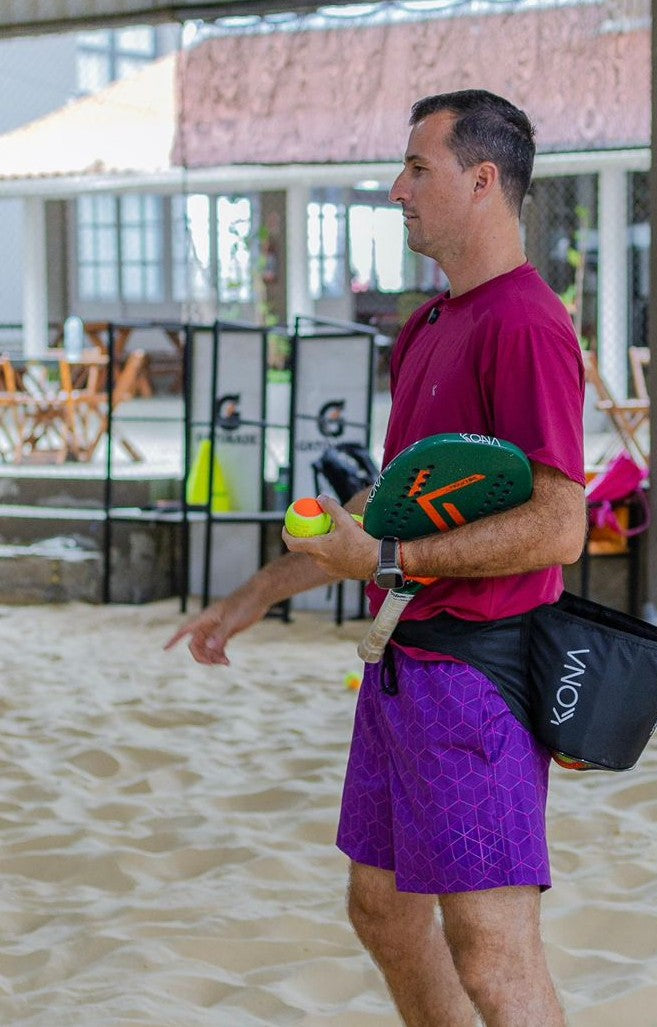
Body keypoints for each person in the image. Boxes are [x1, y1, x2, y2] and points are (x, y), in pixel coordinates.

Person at [166, 89, 586, 1026]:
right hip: (402, 669)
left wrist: (386, 551)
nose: (395, 188)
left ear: (482, 181)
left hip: (482, 679)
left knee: (494, 958)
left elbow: (563, 522)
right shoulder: (430, 327)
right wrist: (256, 594)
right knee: (384, 916)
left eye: (415, 168)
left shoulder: (526, 323)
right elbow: (381, 505)